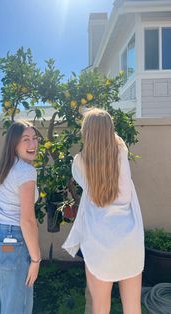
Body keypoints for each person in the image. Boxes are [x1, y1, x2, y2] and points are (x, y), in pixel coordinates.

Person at [62, 108, 144, 314]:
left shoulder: (79, 163)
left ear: (85, 133)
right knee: (133, 308)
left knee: (100, 309)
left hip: (99, 244)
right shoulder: (122, 152)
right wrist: (102, 123)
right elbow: (114, 139)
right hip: (130, 242)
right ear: (111, 130)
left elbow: (85, 185)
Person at [0, 120, 41, 314]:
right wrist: (36, 260)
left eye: (35, 138)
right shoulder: (26, 171)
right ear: (14, 143)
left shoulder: (4, 167)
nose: (32, 144)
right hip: (11, 244)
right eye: (26, 139)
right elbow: (27, 220)